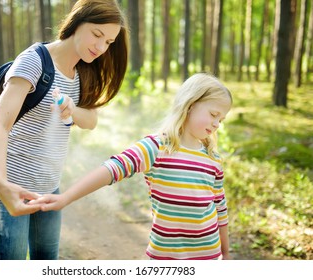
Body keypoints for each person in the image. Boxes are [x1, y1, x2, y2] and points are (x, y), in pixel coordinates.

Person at [30, 73, 233, 260]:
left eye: (221, 119)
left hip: (209, 256)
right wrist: (65, 198)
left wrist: (225, 253)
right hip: (164, 258)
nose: (217, 124)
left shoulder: (212, 158)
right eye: (213, 114)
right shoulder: (156, 147)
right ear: (190, 105)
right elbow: (112, 169)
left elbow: (220, 208)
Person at [0, 0, 129, 260]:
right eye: (97, 35)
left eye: (108, 42)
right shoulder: (34, 62)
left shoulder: (84, 71)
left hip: (50, 188)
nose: (100, 47)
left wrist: (73, 110)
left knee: (47, 262)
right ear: (77, 21)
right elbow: (0, 124)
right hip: (11, 185)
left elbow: (91, 121)